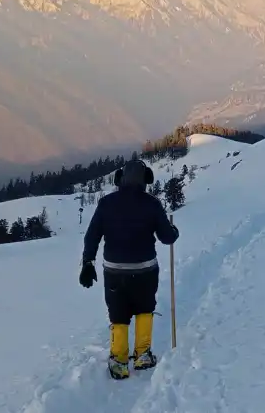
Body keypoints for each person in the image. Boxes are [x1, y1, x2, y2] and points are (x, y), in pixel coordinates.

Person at [80, 159, 179, 379]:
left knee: (118, 315)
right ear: (146, 180)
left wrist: (88, 262)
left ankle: (119, 362)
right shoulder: (151, 204)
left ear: (120, 178)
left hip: (114, 272)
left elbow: (92, 236)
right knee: (145, 309)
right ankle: (142, 355)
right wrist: (173, 230)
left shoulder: (106, 204)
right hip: (146, 271)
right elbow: (167, 238)